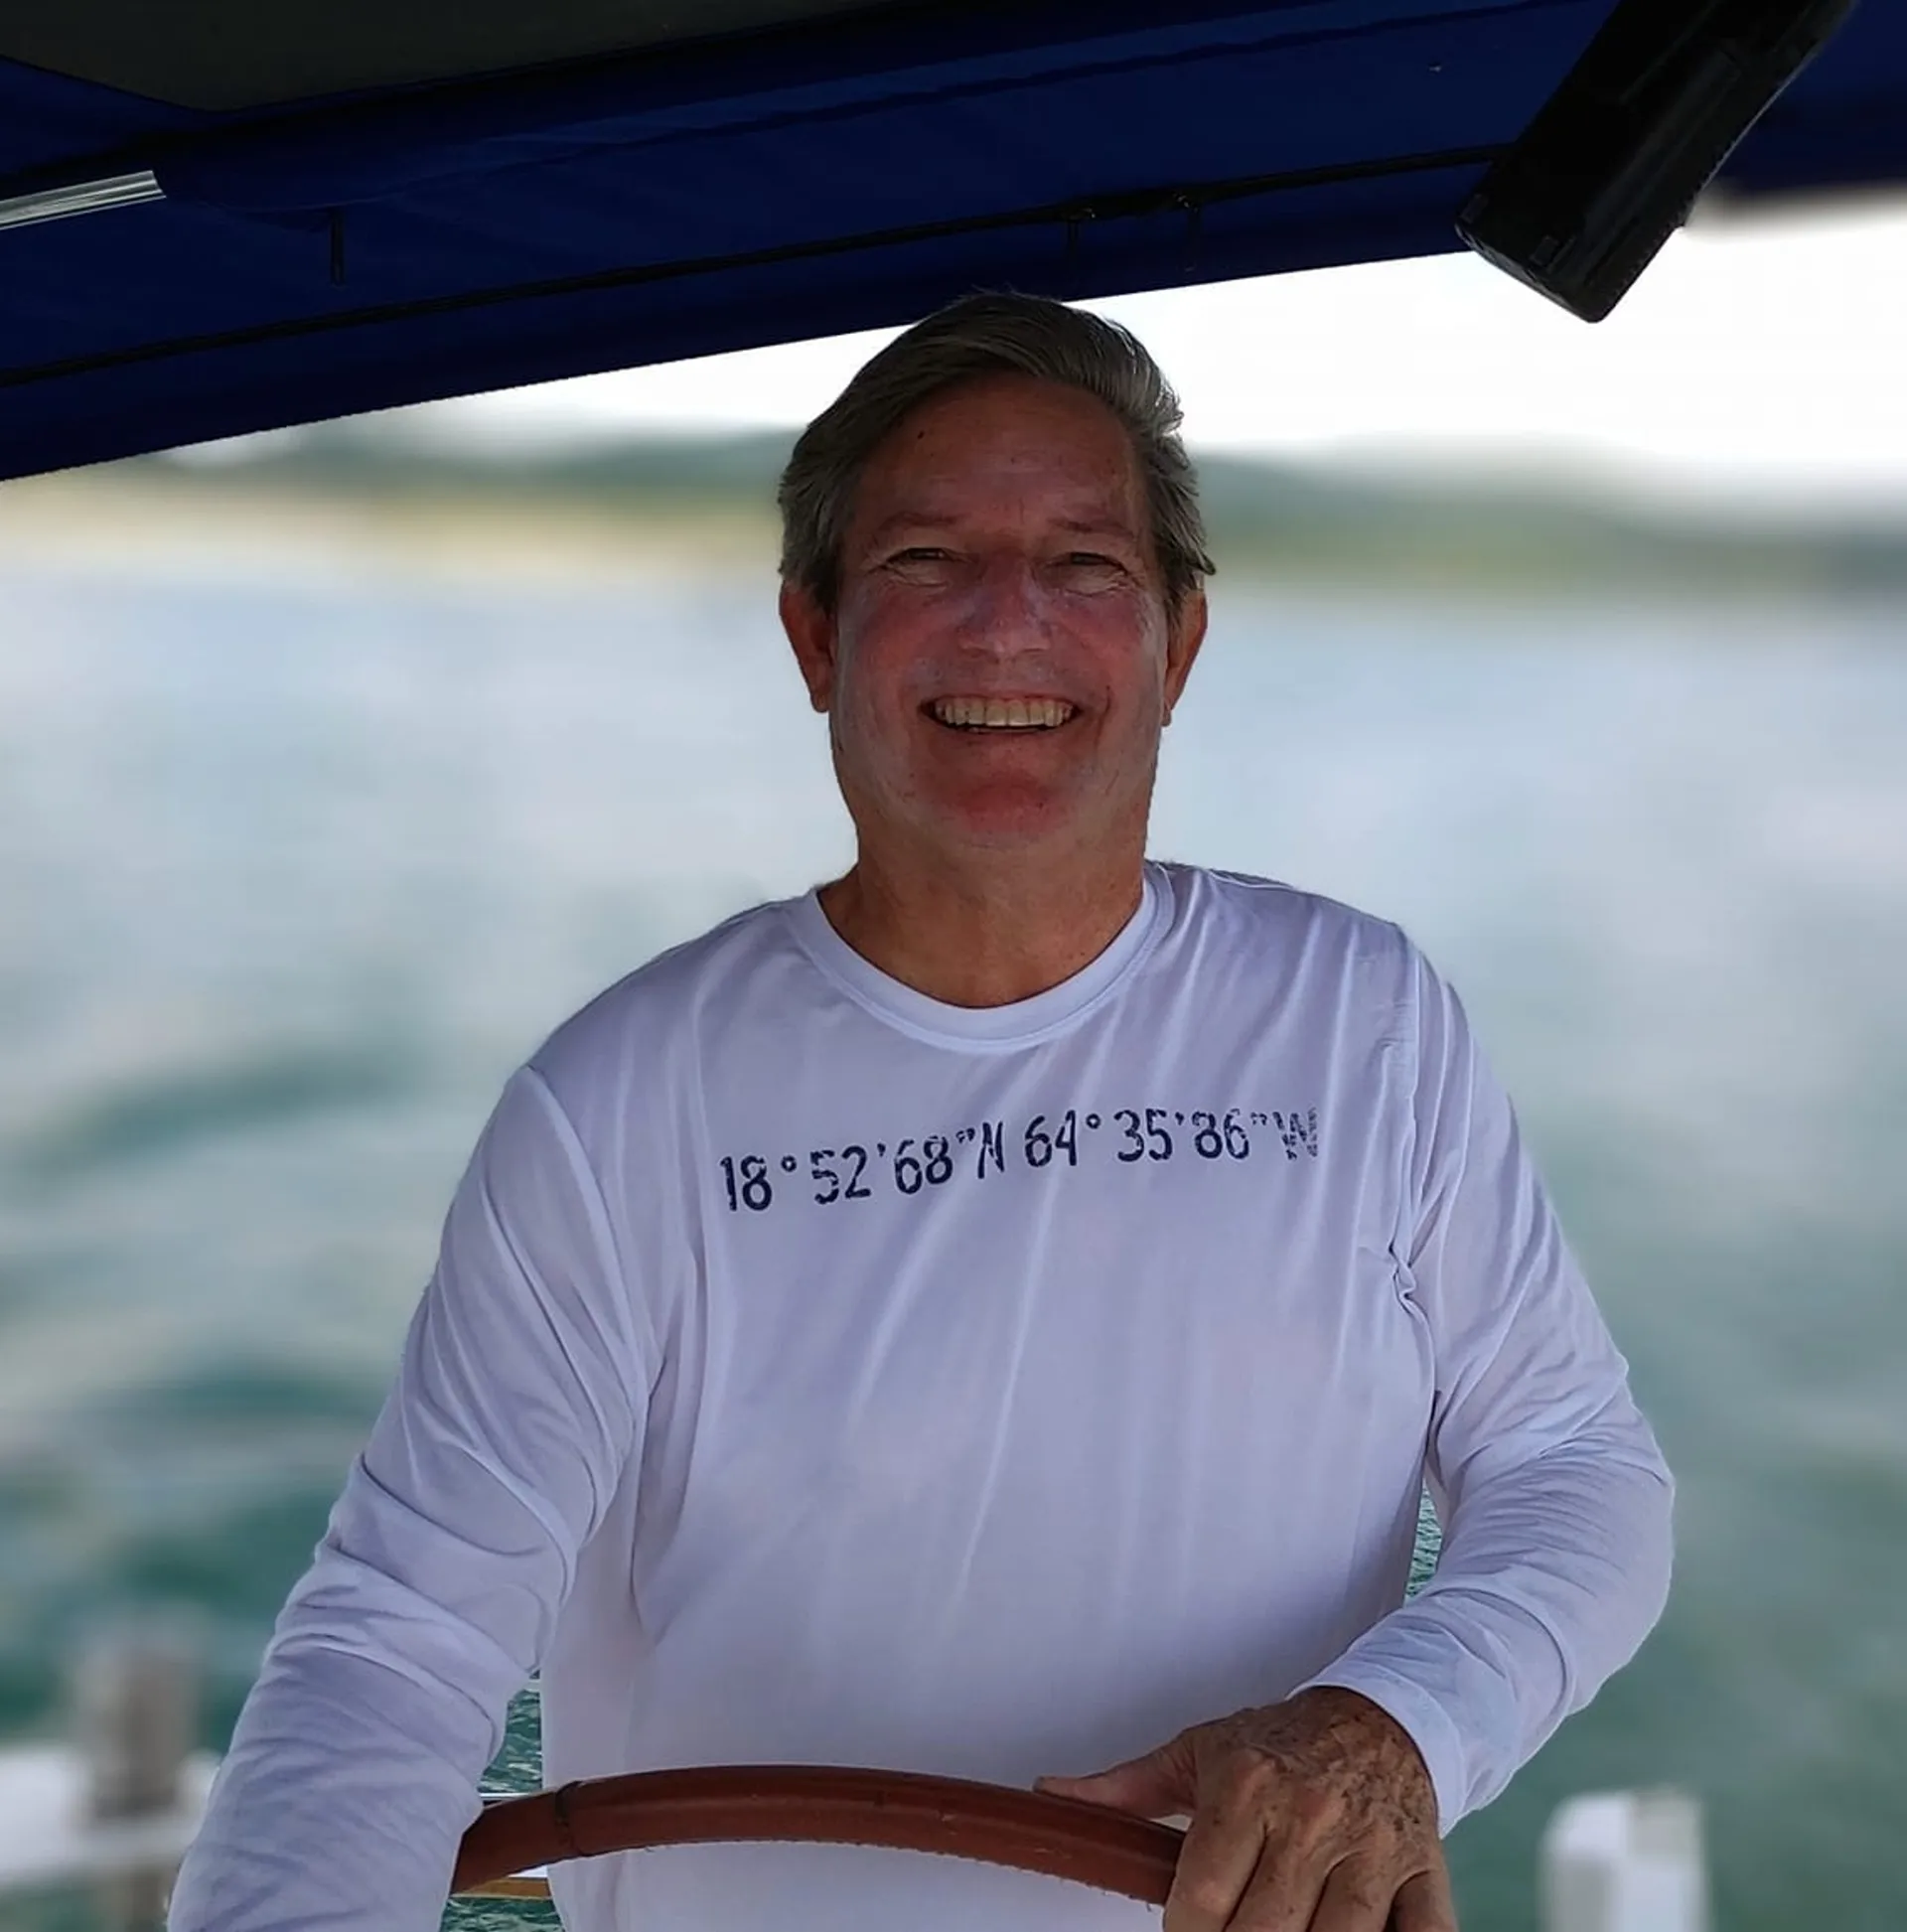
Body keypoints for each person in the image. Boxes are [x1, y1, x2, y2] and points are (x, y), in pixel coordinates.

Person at [168, 293, 1673, 1932]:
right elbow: (404, 1630)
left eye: (1088, 564)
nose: (1008, 627)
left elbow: (1576, 1465)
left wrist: (1399, 1723)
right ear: (816, 638)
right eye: (924, 563)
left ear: (1180, 641)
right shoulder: (621, 1107)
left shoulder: (1368, 1027)